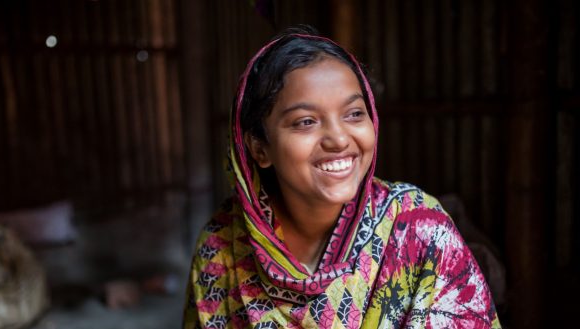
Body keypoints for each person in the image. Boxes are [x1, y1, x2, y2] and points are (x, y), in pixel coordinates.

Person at [183, 26, 501, 329]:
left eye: (354, 114)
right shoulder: (223, 247)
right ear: (259, 148)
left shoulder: (419, 230)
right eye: (306, 121)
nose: (338, 138)